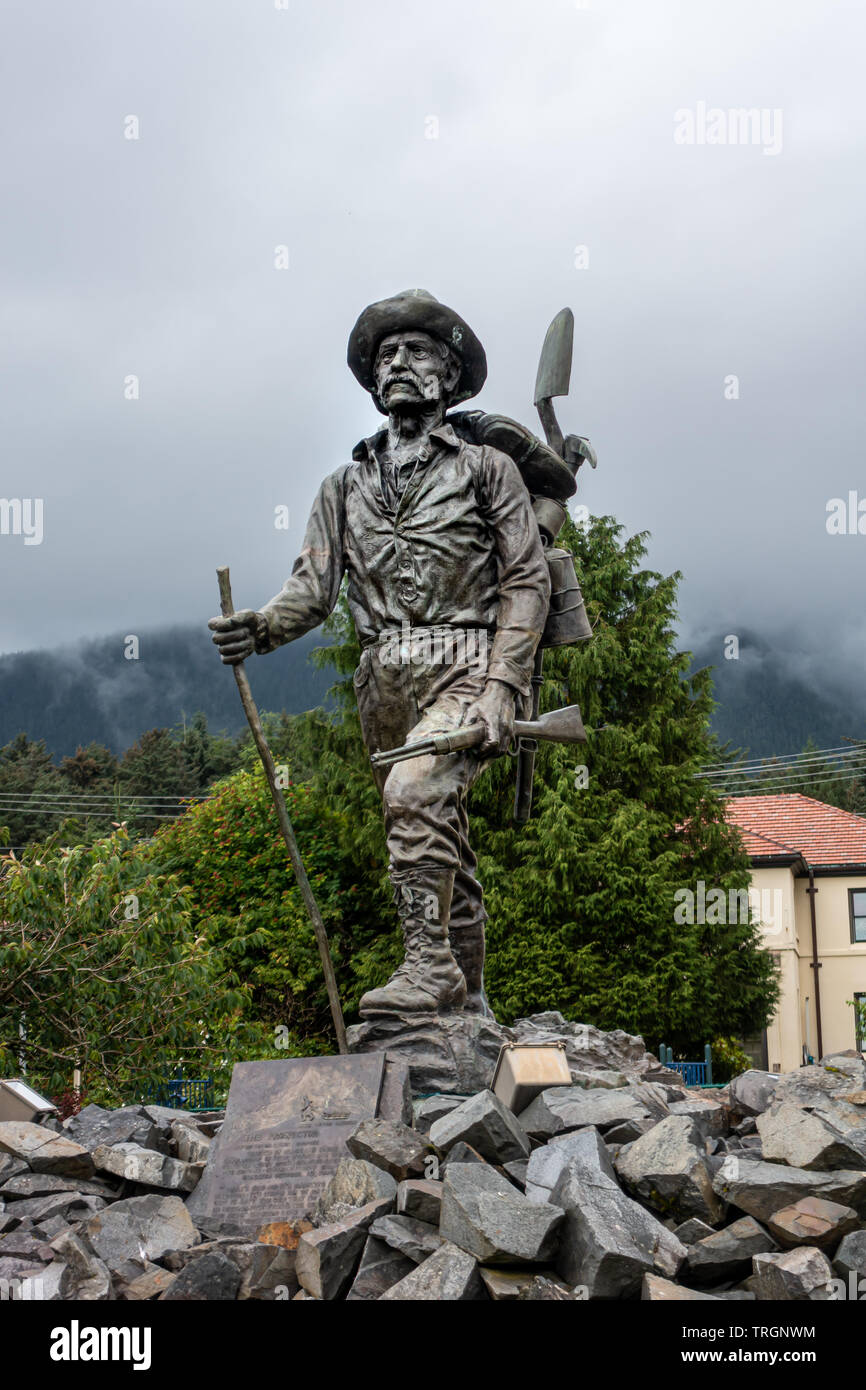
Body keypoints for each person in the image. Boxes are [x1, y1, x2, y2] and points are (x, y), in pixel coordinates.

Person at [209, 289, 549, 1018]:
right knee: (439, 834)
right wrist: (260, 628)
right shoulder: (344, 484)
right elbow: (312, 589)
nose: (398, 363)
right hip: (383, 681)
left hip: (467, 661)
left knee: (414, 795)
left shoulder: (488, 470)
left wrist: (502, 688)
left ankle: (429, 970)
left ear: (449, 376)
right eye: (386, 356)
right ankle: (471, 1002)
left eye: (417, 352)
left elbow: (527, 582)